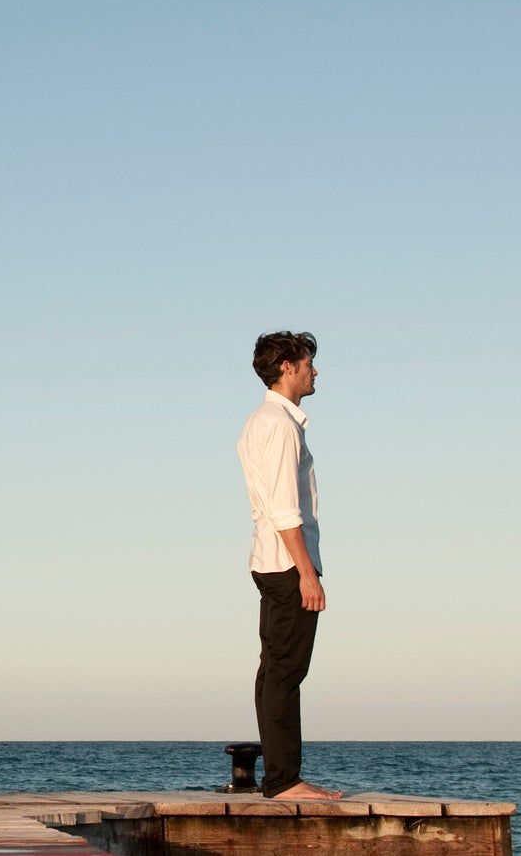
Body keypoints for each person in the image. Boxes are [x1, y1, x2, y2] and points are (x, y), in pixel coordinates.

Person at [237, 331, 342, 800]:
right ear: (286, 368)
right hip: (286, 563)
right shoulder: (277, 425)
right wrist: (306, 573)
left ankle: (281, 777)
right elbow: (285, 508)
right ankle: (284, 781)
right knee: (285, 671)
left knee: (274, 670)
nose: (314, 371)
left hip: (270, 560)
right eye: (307, 363)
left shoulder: (264, 421)